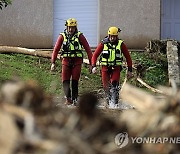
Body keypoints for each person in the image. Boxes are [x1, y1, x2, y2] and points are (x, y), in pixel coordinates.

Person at [51, 18, 92, 105]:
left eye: (72, 27)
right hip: (66, 61)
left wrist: (91, 64)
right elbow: (56, 49)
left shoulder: (80, 36)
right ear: (66, 27)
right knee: (65, 81)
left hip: (77, 62)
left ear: (75, 27)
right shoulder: (62, 36)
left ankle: (75, 99)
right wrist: (53, 62)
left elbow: (88, 49)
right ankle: (68, 99)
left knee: (74, 81)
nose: (70, 29)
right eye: (69, 27)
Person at [91, 26, 132, 109]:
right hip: (105, 68)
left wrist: (129, 70)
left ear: (117, 36)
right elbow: (95, 55)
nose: (112, 38)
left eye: (114, 36)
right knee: (106, 87)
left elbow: (128, 57)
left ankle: (115, 104)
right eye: (111, 36)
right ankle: (108, 103)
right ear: (108, 35)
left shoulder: (121, 44)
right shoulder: (103, 44)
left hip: (116, 68)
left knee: (114, 86)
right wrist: (93, 66)